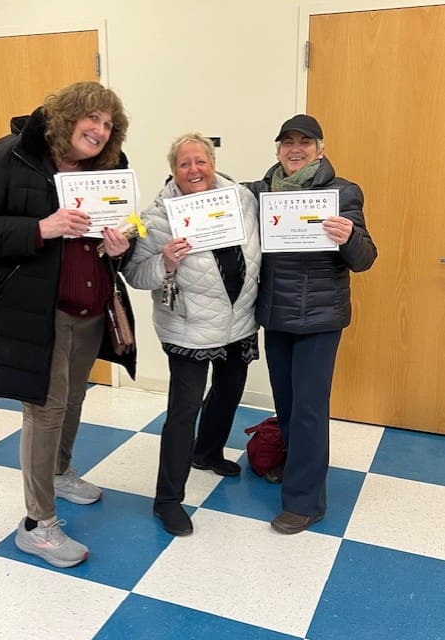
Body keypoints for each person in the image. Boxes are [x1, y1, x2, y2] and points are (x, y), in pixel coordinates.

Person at [0, 81, 136, 567]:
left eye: (109, 124)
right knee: (46, 410)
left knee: (74, 397)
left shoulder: (110, 166)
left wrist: (123, 245)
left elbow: (127, 227)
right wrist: (41, 228)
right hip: (35, 312)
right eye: (93, 119)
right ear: (68, 116)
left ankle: (60, 473)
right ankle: (37, 525)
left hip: (90, 307)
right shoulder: (11, 155)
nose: (100, 131)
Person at [246, 114, 377, 535]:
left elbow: (365, 258)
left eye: (305, 142)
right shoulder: (260, 192)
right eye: (287, 142)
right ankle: (293, 464)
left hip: (320, 319)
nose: (295, 149)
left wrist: (349, 237)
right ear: (278, 149)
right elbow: (218, 201)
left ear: (320, 149)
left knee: (308, 409)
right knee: (286, 404)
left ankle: (306, 502)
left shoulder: (342, 192)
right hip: (276, 315)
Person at [124, 133, 260, 536]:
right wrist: (165, 262)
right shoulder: (156, 218)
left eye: (201, 161)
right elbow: (135, 274)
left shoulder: (242, 199)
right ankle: (167, 500)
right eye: (184, 164)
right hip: (188, 325)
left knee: (229, 391)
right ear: (173, 170)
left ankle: (208, 452)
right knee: (183, 412)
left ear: (212, 163)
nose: (194, 170)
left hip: (239, 320)